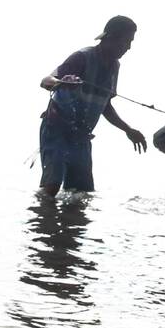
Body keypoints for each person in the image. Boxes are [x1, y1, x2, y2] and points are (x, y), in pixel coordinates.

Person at [37, 15, 147, 195]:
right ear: (111, 38)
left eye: (130, 42)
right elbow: (45, 81)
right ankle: (40, 218)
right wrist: (61, 83)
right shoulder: (82, 57)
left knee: (82, 193)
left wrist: (128, 129)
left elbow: (105, 107)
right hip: (56, 130)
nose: (128, 47)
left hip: (81, 136)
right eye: (126, 41)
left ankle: (70, 223)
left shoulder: (114, 67)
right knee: (51, 187)